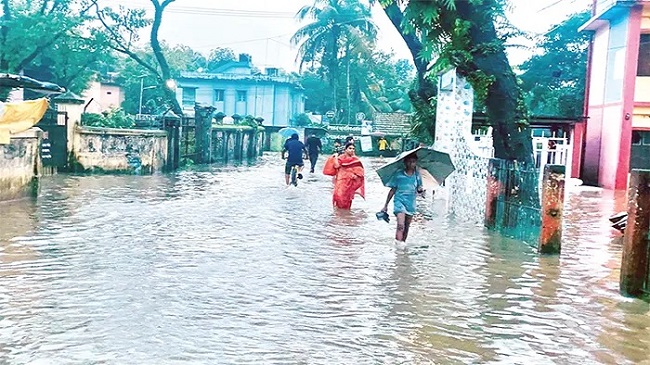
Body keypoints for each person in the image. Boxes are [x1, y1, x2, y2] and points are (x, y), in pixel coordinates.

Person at [381, 153, 424, 242]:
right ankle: (398, 246)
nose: (411, 164)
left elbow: (419, 188)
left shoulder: (417, 175)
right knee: (401, 225)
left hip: (411, 203)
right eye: (409, 162)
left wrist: (420, 190)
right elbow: (392, 190)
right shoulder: (398, 175)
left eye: (413, 162)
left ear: (416, 163)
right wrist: (385, 205)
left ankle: (402, 244)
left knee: (406, 226)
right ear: (405, 162)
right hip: (399, 201)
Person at [331, 142, 365, 209]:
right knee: (339, 197)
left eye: (353, 149)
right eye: (350, 148)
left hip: (350, 183)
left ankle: (345, 214)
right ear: (345, 149)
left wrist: (355, 175)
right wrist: (335, 157)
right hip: (341, 182)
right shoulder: (340, 158)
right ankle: (340, 216)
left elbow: (360, 171)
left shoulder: (356, 160)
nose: (352, 150)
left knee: (348, 200)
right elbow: (336, 166)